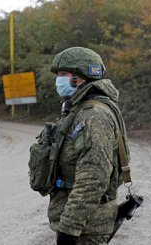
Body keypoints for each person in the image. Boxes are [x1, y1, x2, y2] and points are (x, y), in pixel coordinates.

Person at [45, 47, 130, 244]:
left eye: (64, 75)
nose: (59, 81)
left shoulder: (93, 116)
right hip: (84, 223)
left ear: (80, 78)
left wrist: (69, 228)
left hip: (87, 227)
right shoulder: (82, 110)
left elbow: (93, 177)